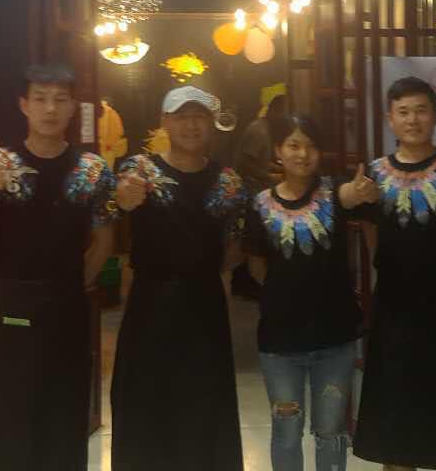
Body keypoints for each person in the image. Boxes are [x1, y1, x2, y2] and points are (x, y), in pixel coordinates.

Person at [0, 63, 117, 471]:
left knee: (66, 407)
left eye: (60, 99)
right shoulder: (2, 163)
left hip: (69, 301)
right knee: (12, 409)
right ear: (24, 104)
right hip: (15, 299)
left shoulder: (93, 170)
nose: (50, 108)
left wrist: (73, 284)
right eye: (40, 98)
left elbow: (104, 241)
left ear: (73, 107)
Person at [344, 76, 436, 471]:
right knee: (396, 418)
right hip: (394, 309)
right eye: (404, 112)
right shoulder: (375, 174)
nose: (413, 120)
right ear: (390, 119)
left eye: (421, 110)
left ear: (435, 115)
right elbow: (370, 232)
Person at [110, 86, 247, 471]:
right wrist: (123, 197)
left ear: (211, 123)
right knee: (145, 403)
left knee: (204, 405)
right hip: (151, 304)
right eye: (182, 116)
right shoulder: (140, 171)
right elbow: (118, 203)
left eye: (199, 116)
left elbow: (234, 249)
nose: (191, 125)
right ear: (164, 122)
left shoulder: (228, 181)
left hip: (204, 305)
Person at [246, 112, 365, 471]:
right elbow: (256, 266)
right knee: (286, 431)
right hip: (281, 343)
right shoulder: (260, 205)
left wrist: (360, 192)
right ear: (278, 150)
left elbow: (352, 196)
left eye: (311, 146)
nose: (302, 154)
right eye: (294, 145)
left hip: (335, 340)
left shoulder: (335, 192)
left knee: (330, 431)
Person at [232, 92, 288, 299]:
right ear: (272, 110)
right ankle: (245, 284)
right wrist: (268, 176)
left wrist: (280, 168)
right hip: (250, 189)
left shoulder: (267, 129)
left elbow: (261, 160)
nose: (284, 117)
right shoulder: (258, 130)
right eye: (282, 112)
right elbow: (246, 163)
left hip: (258, 188)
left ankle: (245, 283)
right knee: (251, 237)